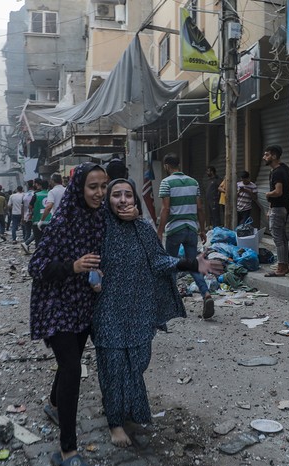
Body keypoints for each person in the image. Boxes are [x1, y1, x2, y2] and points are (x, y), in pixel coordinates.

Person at [93, 178, 224, 447]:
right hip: (108, 308)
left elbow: (159, 260)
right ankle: (115, 423)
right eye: (115, 195)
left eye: (128, 195)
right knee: (113, 364)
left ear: (135, 200)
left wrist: (192, 264)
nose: (123, 200)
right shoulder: (98, 226)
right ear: (107, 201)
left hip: (139, 307)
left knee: (137, 362)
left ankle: (129, 413)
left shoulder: (142, 228)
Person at [28, 162, 110, 466]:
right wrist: (73, 266)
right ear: (79, 188)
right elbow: (37, 266)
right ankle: (67, 451)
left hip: (84, 304)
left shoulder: (101, 219)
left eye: (103, 186)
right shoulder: (63, 221)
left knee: (69, 362)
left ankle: (52, 403)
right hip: (56, 304)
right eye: (93, 187)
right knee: (73, 368)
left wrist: (99, 274)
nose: (99, 193)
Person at [156, 153, 214, 319]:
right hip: (191, 229)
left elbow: (165, 209)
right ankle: (206, 294)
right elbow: (200, 208)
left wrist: (160, 232)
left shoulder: (166, 182)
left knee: (171, 264)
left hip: (174, 229)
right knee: (192, 264)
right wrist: (202, 229)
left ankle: (171, 303)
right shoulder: (193, 182)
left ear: (167, 165)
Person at [263, 145, 289, 277]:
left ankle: (281, 268)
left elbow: (278, 191)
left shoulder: (277, 172)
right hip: (284, 206)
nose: (264, 157)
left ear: (274, 156)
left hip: (278, 207)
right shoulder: (285, 168)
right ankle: (284, 265)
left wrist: (268, 194)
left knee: (278, 238)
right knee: (282, 237)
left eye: (267, 155)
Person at [21, 180, 34, 245]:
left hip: (26, 216)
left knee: (27, 232)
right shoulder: (35, 194)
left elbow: (22, 207)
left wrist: (22, 217)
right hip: (34, 216)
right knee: (35, 233)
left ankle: (26, 245)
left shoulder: (24, 195)